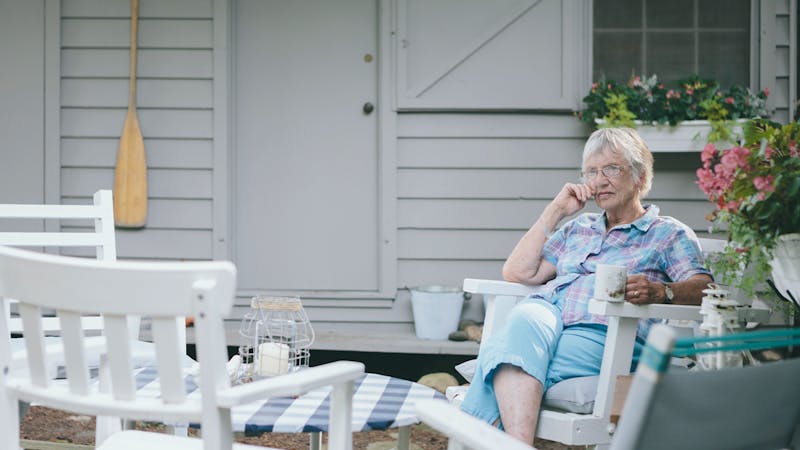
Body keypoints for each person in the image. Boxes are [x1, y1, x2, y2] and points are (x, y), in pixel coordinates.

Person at [459, 127, 713, 445]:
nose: (599, 180)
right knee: (524, 318)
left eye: (611, 168)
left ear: (639, 176)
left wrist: (662, 291)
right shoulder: (579, 227)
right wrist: (555, 211)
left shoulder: (665, 234)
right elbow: (518, 272)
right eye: (591, 171)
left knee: (505, 360)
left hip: (605, 332)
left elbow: (705, 288)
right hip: (547, 316)